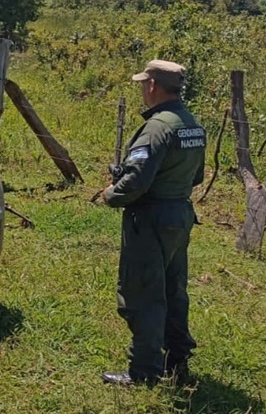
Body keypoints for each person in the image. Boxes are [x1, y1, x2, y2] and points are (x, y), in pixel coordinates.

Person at [101, 59, 206, 386]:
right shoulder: (191, 124)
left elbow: (135, 182)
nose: (143, 90)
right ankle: (177, 364)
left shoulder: (158, 126)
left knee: (144, 292)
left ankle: (143, 372)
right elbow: (197, 176)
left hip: (150, 219)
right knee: (174, 291)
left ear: (152, 86)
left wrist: (110, 194)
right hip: (180, 215)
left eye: (143, 84)